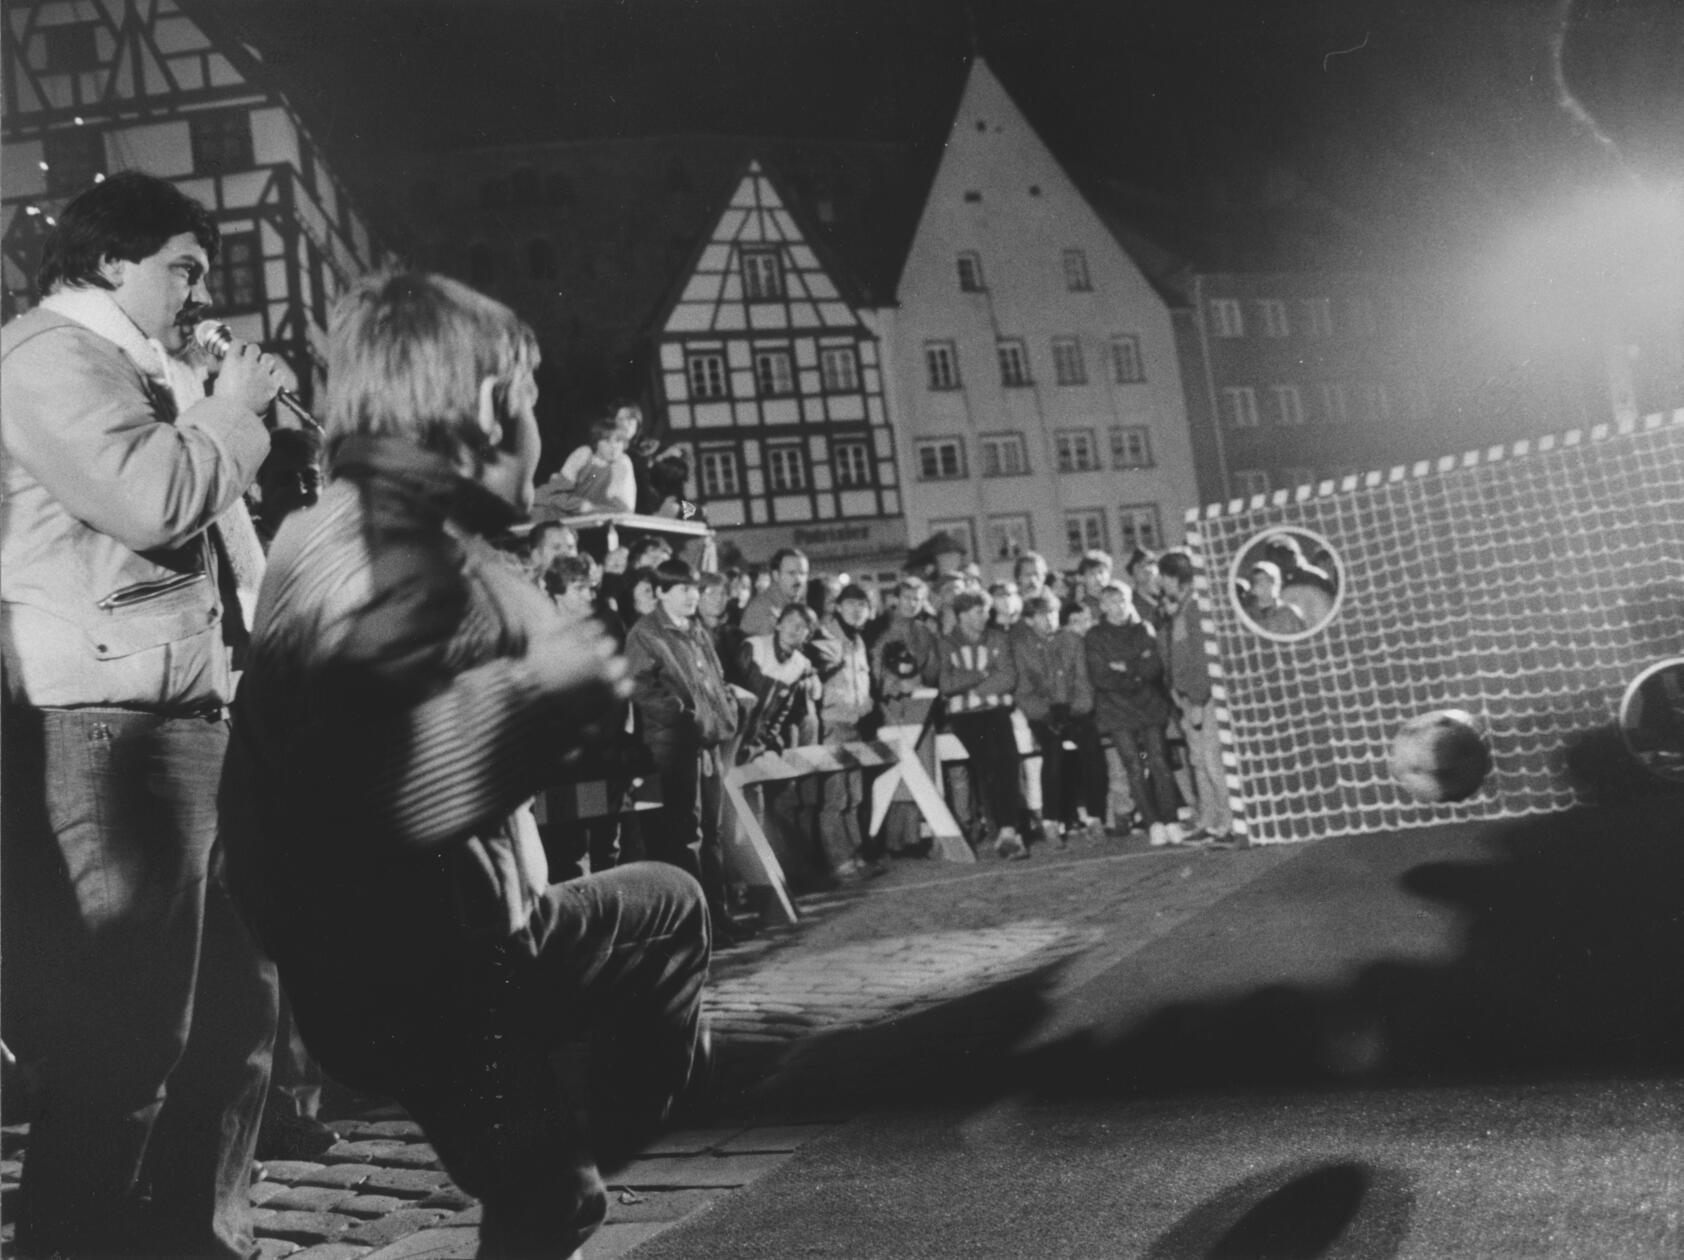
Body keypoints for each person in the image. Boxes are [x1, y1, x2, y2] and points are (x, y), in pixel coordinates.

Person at [223, 271, 710, 1259]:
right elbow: (384, 788)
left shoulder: (319, 533)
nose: (538, 429)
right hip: (438, 971)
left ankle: (563, 1138)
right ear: (489, 408)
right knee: (671, 909)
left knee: (551, 1193)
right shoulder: (416, 561)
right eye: (529, 403)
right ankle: (585, 1122)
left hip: (350, 962)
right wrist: (548, 696)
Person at [0, 170, 284, 1259]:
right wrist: (230, 412)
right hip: (106, 729)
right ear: (110, 260)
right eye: (183, 269)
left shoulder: (141, 366)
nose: (199, 295)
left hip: (191, 717)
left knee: (236, 1018)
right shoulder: (46, 357)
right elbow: (151, 497)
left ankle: (192, 1240)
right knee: (126, 1038)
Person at [624, 558, 742, 941]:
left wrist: (724, 710)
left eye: (695, 588)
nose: (693, 596)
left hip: (706, 744)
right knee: (684, 836)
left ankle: (718, 913)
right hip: (671, 749)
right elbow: (640, 686)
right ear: (661, 592)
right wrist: (684, 715)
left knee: (712, 833)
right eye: (683, 588)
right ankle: (697, 925)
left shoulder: (695, 629)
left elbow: (714, 677)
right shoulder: (646, 633)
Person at [1087, 582, 1184, 847]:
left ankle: (1171, 820)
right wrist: (1135, 669)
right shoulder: (1095, 636)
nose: (1118, 607)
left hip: (1149, 705)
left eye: (1122, 600)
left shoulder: (1144, 629)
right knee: (1133, 765)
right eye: (1111, 602)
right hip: (1116, 709)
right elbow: (1100, 676)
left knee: (1159, 761)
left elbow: (1153, 667)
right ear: (1102, 606)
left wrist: (1122, 668)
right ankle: (1153, 823)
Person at [938, 591, 1030, 859]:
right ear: (962, 615)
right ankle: (1003, 830)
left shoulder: (998, 638)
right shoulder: (947, 643)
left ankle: (1008, 831)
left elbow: (1008, 677)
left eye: (987, 611)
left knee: (1008, 762)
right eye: (979, 612)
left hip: (996, 710)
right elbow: (947, 684)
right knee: (989, 764)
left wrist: (972, 688)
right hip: (965, 716)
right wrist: (982, 673)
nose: (986, 617)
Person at [1157, 551, 1238, 847]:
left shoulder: (1194, 608)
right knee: (1199, 762)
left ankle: (1231, 824)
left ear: (1172, 577)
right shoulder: (1184, 609)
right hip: (1188, 698)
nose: (1161, 583)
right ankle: (1210, 821)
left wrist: (1199, 700)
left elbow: (1203, 658)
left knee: (1213, 760)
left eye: (1163, 577)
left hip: (1203, 698)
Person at [1011, 595, 1106, 843]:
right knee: (1052, 753)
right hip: (1044, 713)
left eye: (1053, 613)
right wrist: (1045, 713)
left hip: (1072, 710)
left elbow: (1083, 683)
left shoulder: (1072, 640)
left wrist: (1076, 709)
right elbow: (1023, 690)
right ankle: (1051, 820)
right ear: (1029, 620)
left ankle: (1095, 817)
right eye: (1043, 615)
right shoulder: (1021, 646)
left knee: (1092, 748)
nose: (1050, 619)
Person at [816, 584, 881, 876]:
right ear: (838, 606)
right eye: (851, 603)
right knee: (836, 796)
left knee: (855, 796)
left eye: (862, 605)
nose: (857, 610)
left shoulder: (858, 640)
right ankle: (839, 860)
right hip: (832, 723)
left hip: (855, 724)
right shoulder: (825, 636)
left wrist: (867, 703)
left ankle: (856, 855)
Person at [536, 412, 635, 515]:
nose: (614, 446)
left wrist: (593, 509)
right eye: (607, 441)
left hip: (595, 517)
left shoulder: (622, 464)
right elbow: (555, 491)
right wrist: (577, 505)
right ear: (596, 442)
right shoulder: (584, 455)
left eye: (618, 441)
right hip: (565, 511)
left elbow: (624, 508)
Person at [740, 547, 810, 636]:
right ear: (776, 575)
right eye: (791, 573)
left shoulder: (803, 606)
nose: (799, 580)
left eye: (803, 573)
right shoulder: (761, 608)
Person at [1245, 560, 1309, 635]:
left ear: (1279, 584)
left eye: (1269, 580)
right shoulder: (1245, 617)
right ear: (1252, 589)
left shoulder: (1290, 614)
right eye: (1259, 582)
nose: (1265, 586)